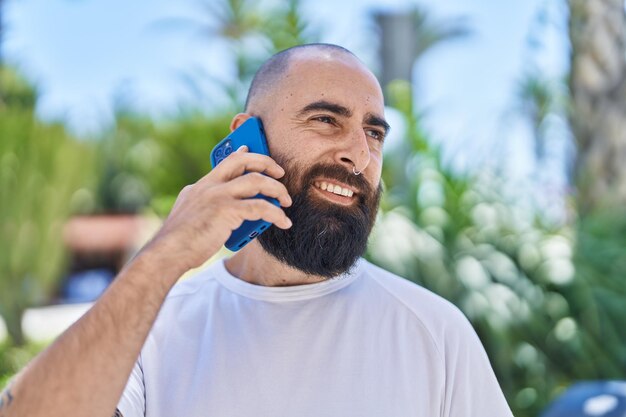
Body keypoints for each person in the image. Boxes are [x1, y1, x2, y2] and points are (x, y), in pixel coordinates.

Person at [0, 43, 514, 417]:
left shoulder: (435, 335)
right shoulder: (154, 331)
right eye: (326, 120)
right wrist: (164, 256)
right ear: (248, 138)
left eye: (373, 132)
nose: (359, 155)